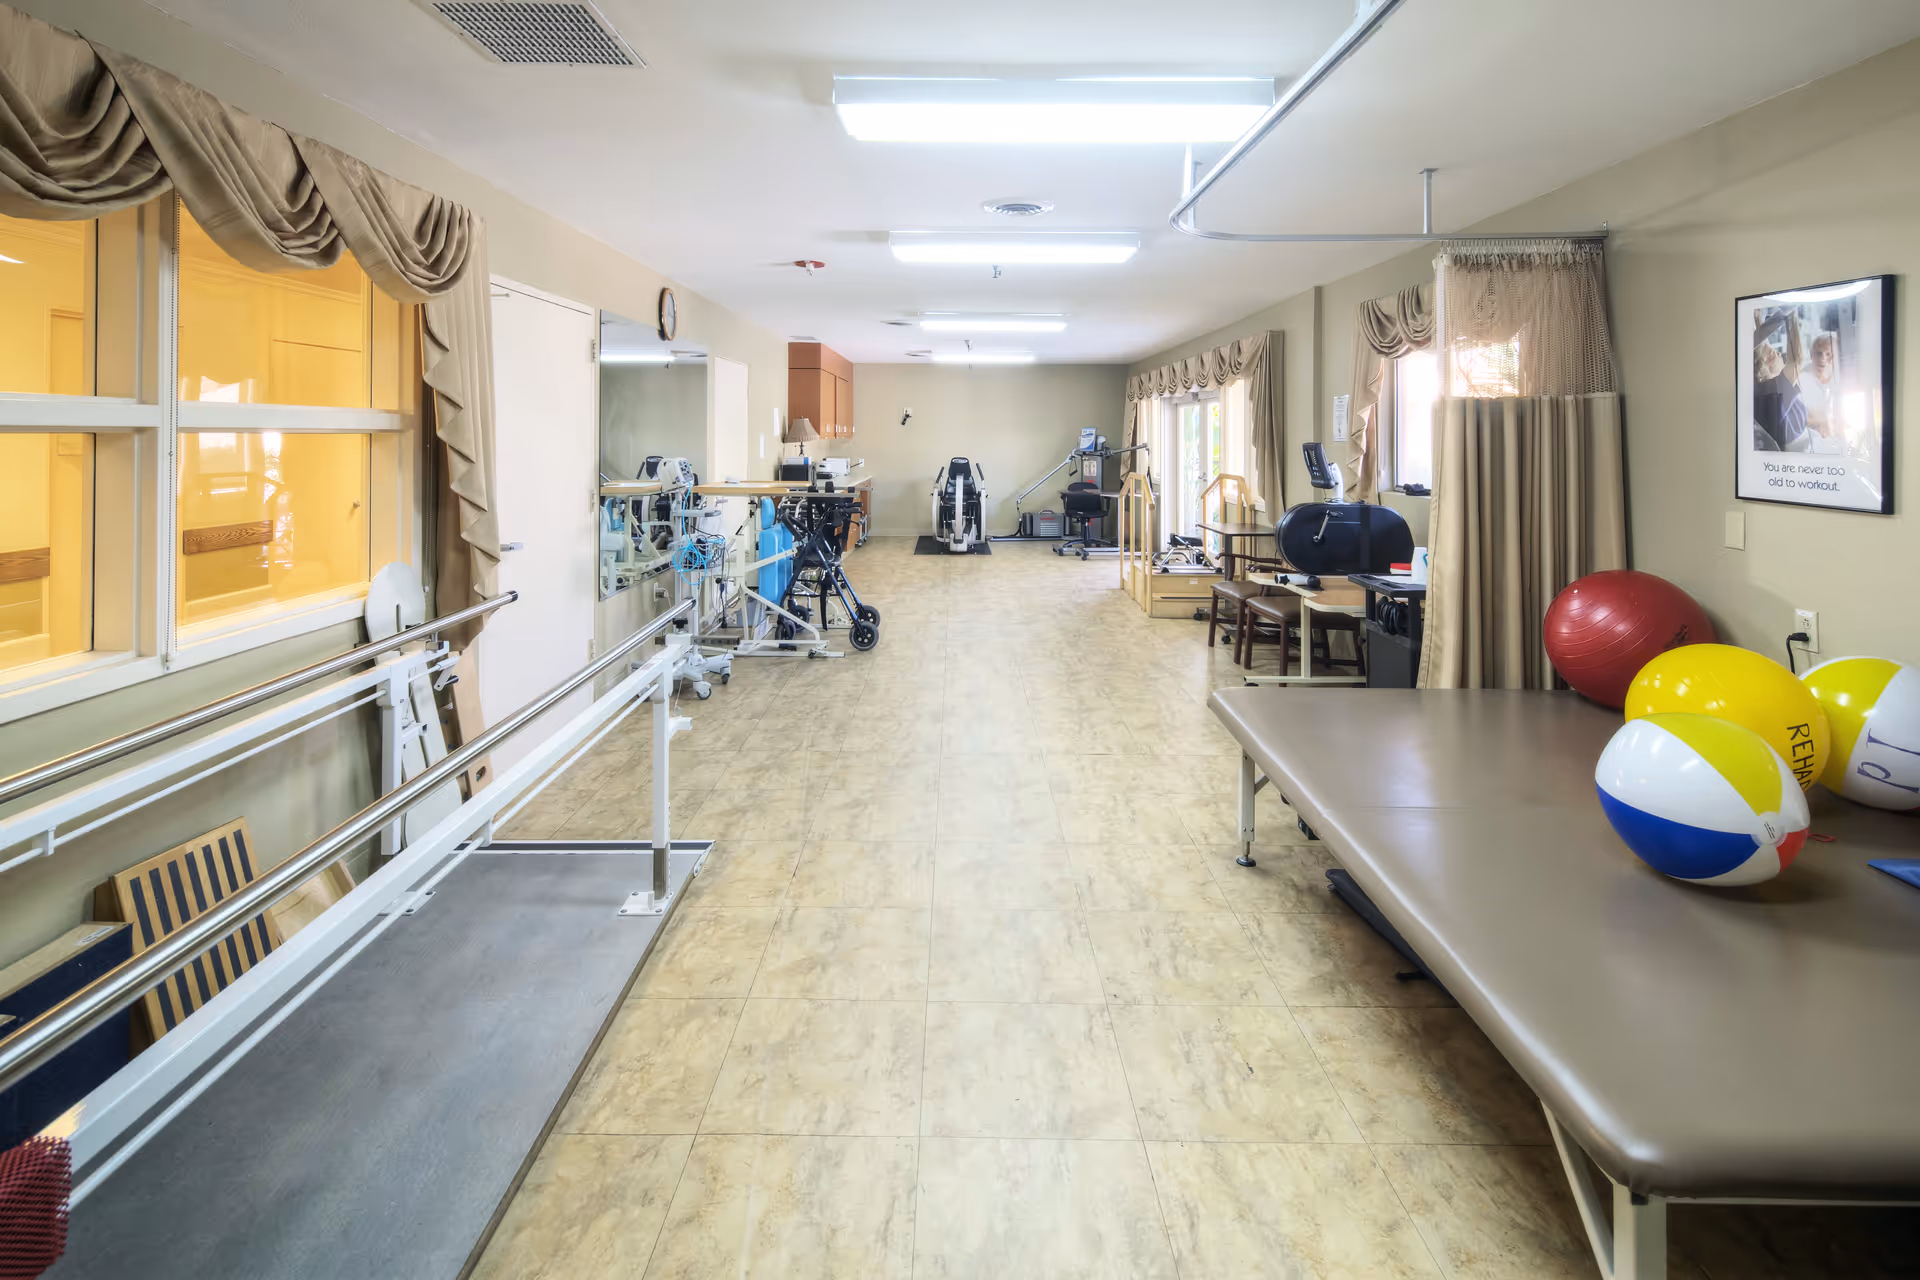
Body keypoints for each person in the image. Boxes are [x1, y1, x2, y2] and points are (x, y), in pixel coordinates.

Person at [1752, 339, 1809, 451]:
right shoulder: (1772, 394)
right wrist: (1791, 322)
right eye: (1773, 355)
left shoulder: (1765, 391)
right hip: (1797, 459)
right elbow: (1796, 360)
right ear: (1765, 367)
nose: (1778, 353)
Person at [1797, 333, 1843, 453]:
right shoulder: (1802, 379)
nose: (1823, 358)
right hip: (1810, 444)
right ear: (1812, 354)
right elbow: (1797, 419)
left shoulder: (1839, 378)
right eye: (1819, 353)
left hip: (1836, 442)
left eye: (1828, 354)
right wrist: (1824, 421)